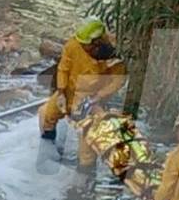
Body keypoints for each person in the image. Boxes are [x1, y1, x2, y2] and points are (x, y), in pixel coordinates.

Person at [38, 18, 127, 174]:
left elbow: (118, 81)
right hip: (69, 91)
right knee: (46, 114)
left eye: (88, 45)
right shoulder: (73, 45)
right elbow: (63, 69)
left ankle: (85, 176)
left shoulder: (112, 56)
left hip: (91, 99)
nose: (84, 47)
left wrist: (99, 97)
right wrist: (60, 92)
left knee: (87, 146)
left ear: (98, 42)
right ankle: (49, 149)